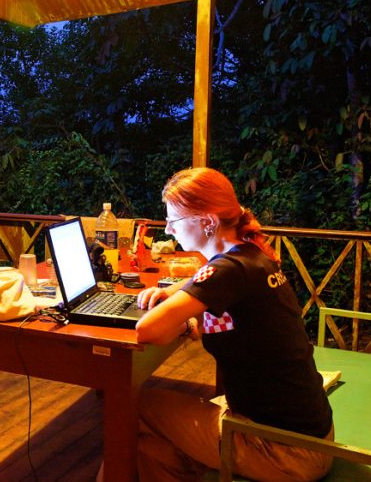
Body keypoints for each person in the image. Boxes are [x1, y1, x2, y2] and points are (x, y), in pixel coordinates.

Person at [135, 167, 333, 481]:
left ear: (208, 222)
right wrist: (174, 294)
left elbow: (149, 330)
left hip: (284, 450)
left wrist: (177, 305)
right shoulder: (251, 256)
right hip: (308, 436)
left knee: (134, 406)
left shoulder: (230, 271)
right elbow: (226, 307)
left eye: (174, 221)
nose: (169, 231)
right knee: (151, 446)